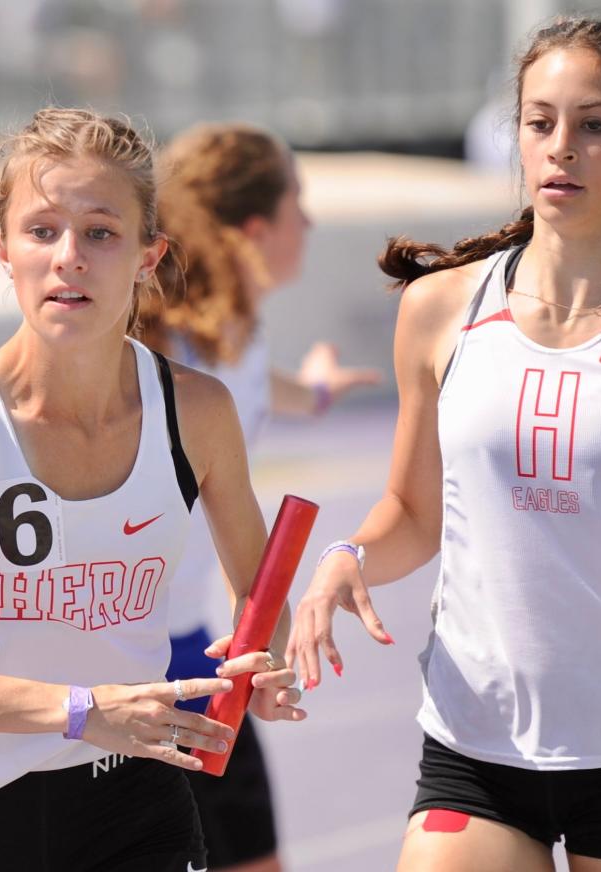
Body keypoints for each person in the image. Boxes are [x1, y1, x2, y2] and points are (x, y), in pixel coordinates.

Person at [288, 15, 601, 872]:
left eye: (594, 125)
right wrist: (348, 554)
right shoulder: (440, 309)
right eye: (539, 121)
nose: (561, 146)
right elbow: (412, 513)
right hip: (472, 746)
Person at [0, 107, 305, 872]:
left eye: (100, 232)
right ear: (3, 251)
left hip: (136, 800)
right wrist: (83, 710)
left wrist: (265, 659)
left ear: (147, 255)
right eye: (42, 231)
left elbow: (262, 598)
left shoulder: (196, 413)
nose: (69, 258)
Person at [139, 121, 379, 872]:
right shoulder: (156, 350)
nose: (307, 222)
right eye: (296, 204)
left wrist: (311, 392)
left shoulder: (237, 332)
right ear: (253, 228)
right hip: (136, 662)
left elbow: (250, 383)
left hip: (203, 648)